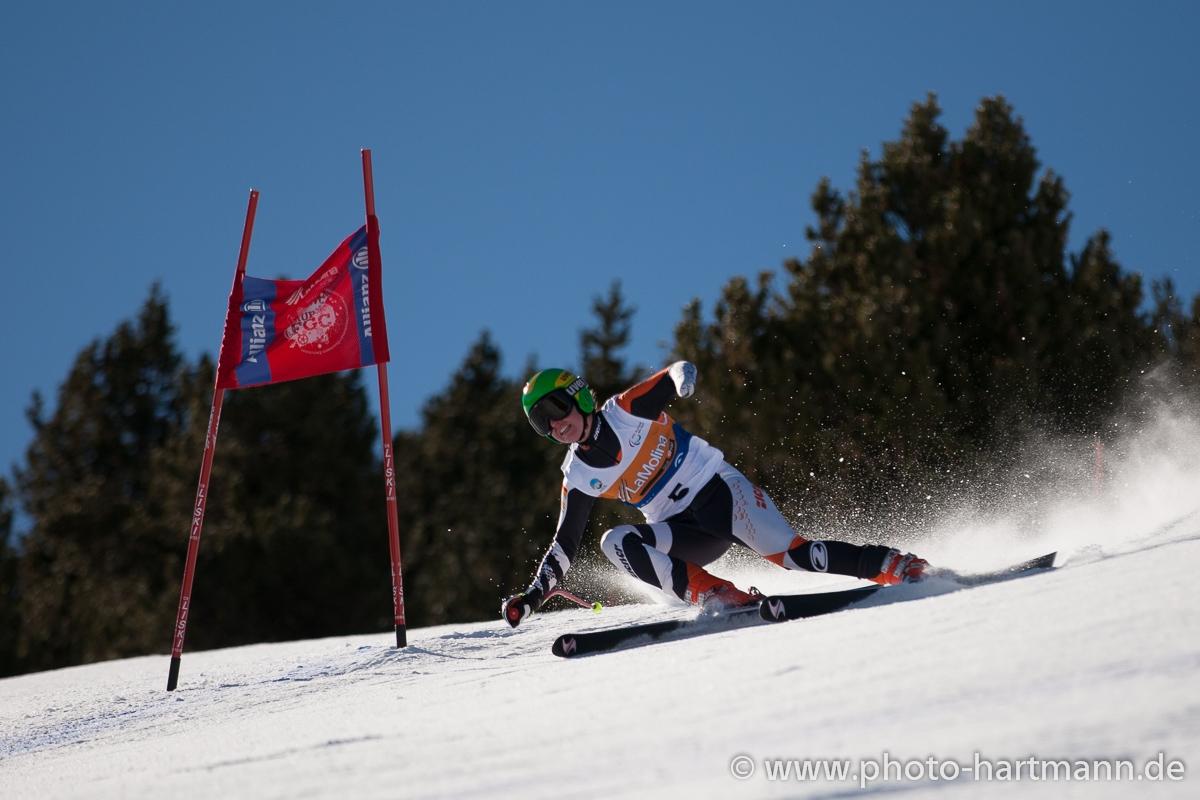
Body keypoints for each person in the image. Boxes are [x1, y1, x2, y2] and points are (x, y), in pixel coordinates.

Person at [501, 362, 928, 627]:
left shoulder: (627, 411)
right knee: (616, 542)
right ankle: (718, 594)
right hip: (683, 531)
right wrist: (534, 596)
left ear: (579, 397)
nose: (556, 426)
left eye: (555, 409)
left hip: (720, 494)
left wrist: (682, 379)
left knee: (793, 555)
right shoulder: (577, 474)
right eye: (542, 423)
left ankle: (892, 565)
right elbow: (565, 542)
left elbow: (672, 372)